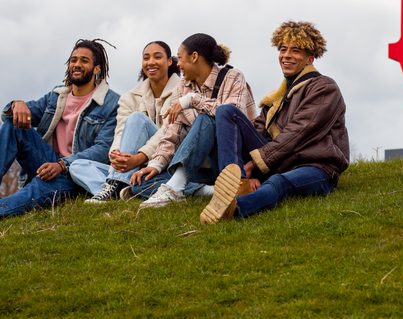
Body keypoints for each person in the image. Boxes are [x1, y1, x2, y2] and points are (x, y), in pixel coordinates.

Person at [200, 21, 349, 224]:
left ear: (310, 59)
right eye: (283, 49)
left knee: (278, 183)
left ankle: (234, 209)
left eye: (295, 50)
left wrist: (255, 164)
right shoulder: (277, 97)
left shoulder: (324, 87)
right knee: (227, 111)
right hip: (280, 161)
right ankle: (237, 184)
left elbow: (298, 133)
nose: (286, 55)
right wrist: (247, 170)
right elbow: (259, 130)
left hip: (315, 165)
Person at [131, 32, 256, 209]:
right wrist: (156, 164)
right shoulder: (182, 87)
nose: (178, 64)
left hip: (232, 161)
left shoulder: (233, 76)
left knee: (206, 119)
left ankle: (176, 186)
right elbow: (171, 132)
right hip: (199, 169)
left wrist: (192, 100)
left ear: (195, 57)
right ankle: (207, 190)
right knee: (143, 181)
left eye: (180, 58)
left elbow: (232, 113)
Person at [0, 39, 119, 218]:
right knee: (13, 124)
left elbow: (103, 150)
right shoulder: (57, 96)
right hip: (48, 161)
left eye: (84, 61)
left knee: (37, 188)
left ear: (97, 69)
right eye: (73, 60)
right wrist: (16, 104)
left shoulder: (112, 103)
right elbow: (12, 115)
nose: (77, 65)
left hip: (76, 176)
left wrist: (63, 165)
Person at [69, 41, 182, 202]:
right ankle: (119, 189)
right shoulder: (129, 97)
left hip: (163, 158)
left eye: (157, 57)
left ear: (169, 61)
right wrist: (116, 155)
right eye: (146, 58)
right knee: (77, 166)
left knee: (137, 119)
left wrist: (139, 158)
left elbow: (168, 131)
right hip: (133, 166)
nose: (151, 62)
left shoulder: (182, 90)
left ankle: (114, 184)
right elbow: (120, 131)